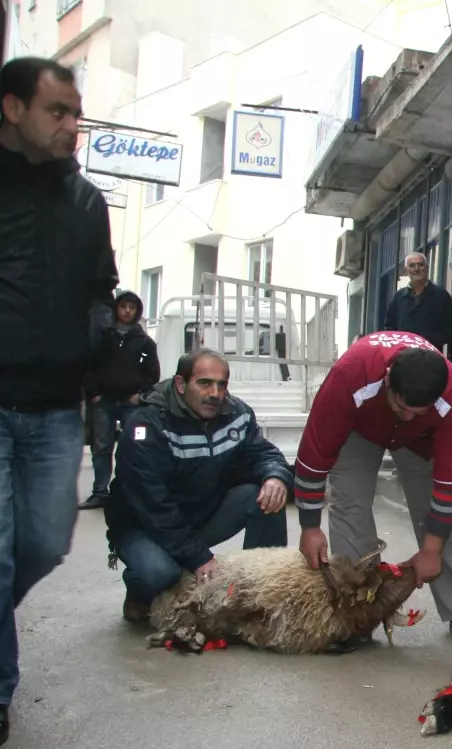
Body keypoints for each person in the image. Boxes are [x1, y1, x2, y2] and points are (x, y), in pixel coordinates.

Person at [0, 56, 119, 743]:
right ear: (13, 109)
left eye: (76, 112)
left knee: (44, 544)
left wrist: (94, 347)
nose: (73, 126)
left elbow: (100, 288)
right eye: (58, 111)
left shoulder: (86, 203)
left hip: (53, 408)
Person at [292, 331, 452, 643]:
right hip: (360, 428)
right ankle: (359, 612)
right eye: (403, 408)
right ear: (387, 380)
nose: (408, 414)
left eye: (419, 410)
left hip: (421, 438)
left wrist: (431, 550)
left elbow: (449, 483)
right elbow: (313, 456)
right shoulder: (350, 374)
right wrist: (309, 526)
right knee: (350, 505)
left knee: (439, 510)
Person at [105, 350, 291, 620]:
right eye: (204, 383)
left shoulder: (237, 414)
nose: (216, 393)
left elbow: (263, 453)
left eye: (222, 384)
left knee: (264, 496)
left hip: (201, 515)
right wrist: (198, 557)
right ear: (181, 385)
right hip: (144, 526)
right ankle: (139, 592)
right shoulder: (146, 425)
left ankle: (257, 597)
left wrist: (275, 475)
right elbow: (152, 505)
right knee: (161, 572)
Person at [80, 290, 161, 510]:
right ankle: (99, 492)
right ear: (116, 308)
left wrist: (140, 395)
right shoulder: (103, 337)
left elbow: (152, 373)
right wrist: (93, 393)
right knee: (101, 448)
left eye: (131, 307)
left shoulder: (144, 342)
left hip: (132, 404)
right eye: (123, 306)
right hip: (103, 402)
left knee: (134, 446)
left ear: (137, 311)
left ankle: (127, 493)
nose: (127, 311)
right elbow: (88, 366)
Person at [383, 252, 452, 359]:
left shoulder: (441, 296)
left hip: (431, 357)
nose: (416, 269)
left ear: (427, 268)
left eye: (420, 265)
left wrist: (431, 340)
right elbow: (389, 326)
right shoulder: (399, 297)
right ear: (406, 270)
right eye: (412, 265)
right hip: (404, 358)